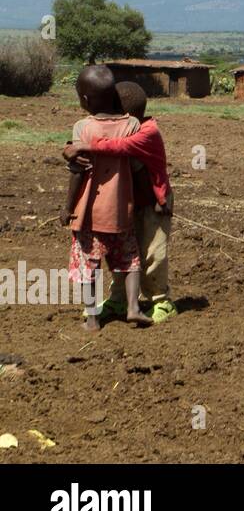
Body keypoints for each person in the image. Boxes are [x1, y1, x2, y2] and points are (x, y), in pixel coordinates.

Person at [66, 81, 176, 324]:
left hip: (155, 201)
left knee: (153, 254)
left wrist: (84, 145)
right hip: (129, 202)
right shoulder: (126, 127)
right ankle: (120, 299)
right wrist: (70, 147)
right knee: (125, 253)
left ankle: (161, 301)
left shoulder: (146, 132)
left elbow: (118, 146)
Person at [60, 65, 149, 330]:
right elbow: (138, 167)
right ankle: (133, 308)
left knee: (89, 266)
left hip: (88, 214)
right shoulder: (132, 125)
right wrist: (150, 198)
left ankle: (92, 318)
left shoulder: (82, 129)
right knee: (131, 260)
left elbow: (78, 172)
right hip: (122, 211)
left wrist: (67, 207)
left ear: (85, 100)